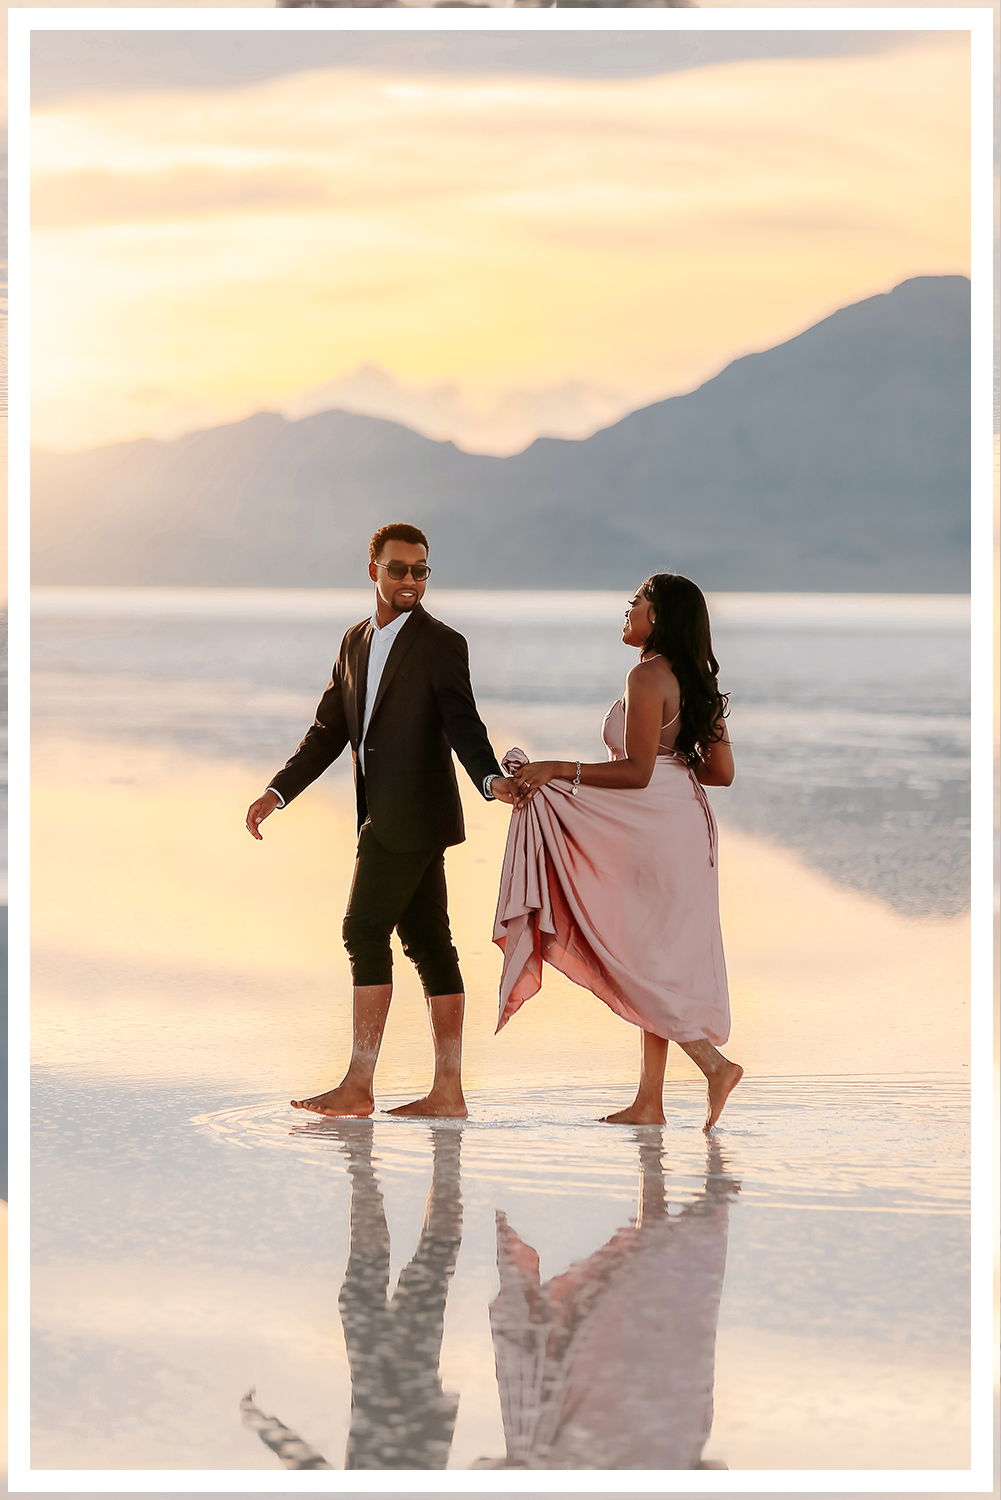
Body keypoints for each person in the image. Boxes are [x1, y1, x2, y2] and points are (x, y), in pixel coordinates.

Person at [246, 523, 516, 1118]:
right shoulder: (354, 642)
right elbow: (329, 731)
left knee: (362, 931)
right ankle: (448, 1091)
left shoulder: (442, 643)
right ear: (373, 571)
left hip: (411, 816)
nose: (412, 581)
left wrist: (490, 778)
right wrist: (278, 791)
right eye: (399, 570)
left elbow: (462, 722)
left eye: (422, 570)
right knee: (428, 943)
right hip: (383, 813)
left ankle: (359, 1084)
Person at [493, 573, 742, 1130]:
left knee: (638, 956)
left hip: (653, 826)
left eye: (637, 602)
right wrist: (677, 766)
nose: (627, 610)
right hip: (684, 823)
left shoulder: (646, 675)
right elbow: (721, 772)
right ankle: (649, 1101)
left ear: (657, 617)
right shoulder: (693, 679)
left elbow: (636, 770)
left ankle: (714, 1065)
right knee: (656, 956)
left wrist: (558, 768)